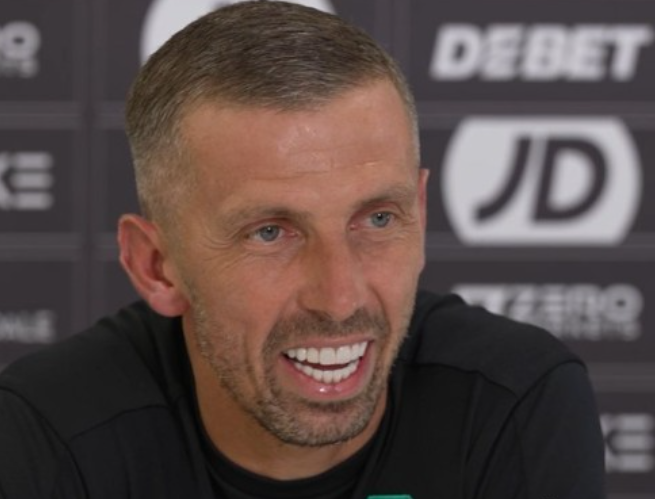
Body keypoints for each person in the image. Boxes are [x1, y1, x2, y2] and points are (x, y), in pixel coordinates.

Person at [0, 2, 605, 498]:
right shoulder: (44, 433)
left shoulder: (514, 402)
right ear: (157, 266)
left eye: (377, 219)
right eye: (270, 232)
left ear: (420, 215)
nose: (339, 299)